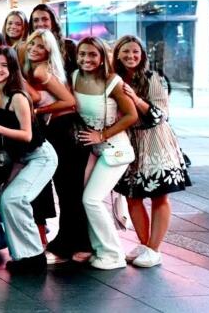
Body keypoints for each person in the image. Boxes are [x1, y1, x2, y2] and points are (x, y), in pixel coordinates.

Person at [113, 35, 190, 268]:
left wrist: (135, 99)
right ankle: (145, 244)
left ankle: (155, 249)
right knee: (132, 196)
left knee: (159, 195)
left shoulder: (153, 78)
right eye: (126, 51)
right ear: (117, 54)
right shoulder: (114, 78)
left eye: (135, 51)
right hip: (130, 142)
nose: (131, 55)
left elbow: (160, 115)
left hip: (156, 141)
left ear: (142, 55)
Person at [0, 47, 58, 273]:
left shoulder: (18, 96)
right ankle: (22, 256)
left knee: (15, 198)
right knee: (6, 200)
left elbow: (26, 135)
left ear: (13, 69)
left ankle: (35, 255)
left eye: (4, 65)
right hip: (21, 158)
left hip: (40, 156)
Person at [73, 37, 138, 270]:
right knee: (85, 199)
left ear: (102, 58)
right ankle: (100, 250)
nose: (86, 59)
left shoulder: (113, 81)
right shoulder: (74, 76)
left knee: (91, 199)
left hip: (115, 150)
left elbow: (131, 115)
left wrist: (102, 135)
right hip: (93, 151)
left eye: (92, 54)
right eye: (82, 54)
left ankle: (114, 254)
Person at [23, 29, 85, 264]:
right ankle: (72, 243)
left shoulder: (41, 70)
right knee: (68, 192)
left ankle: (75, 245)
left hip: (63, 131)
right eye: (32, 44)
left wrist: (38, 110)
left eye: (40, 46)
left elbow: (70, 101)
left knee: (68, 192)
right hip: (58, 131)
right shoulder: (39, 68)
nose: (34, 49)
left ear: (49, 50)